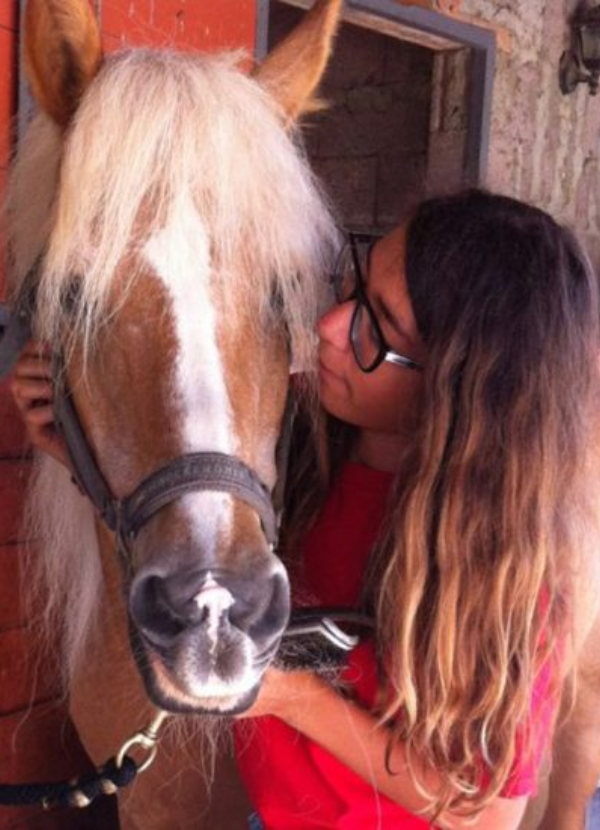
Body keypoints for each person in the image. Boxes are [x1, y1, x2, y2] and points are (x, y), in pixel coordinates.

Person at [11, 189, 600, 829]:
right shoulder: (308, 433)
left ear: (458, 390)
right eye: (352, 287)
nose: (328, 326)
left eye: (377, 328)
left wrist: (293, 698)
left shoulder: (507, 570)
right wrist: (75, 450)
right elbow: (204, 508)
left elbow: (482, 816)